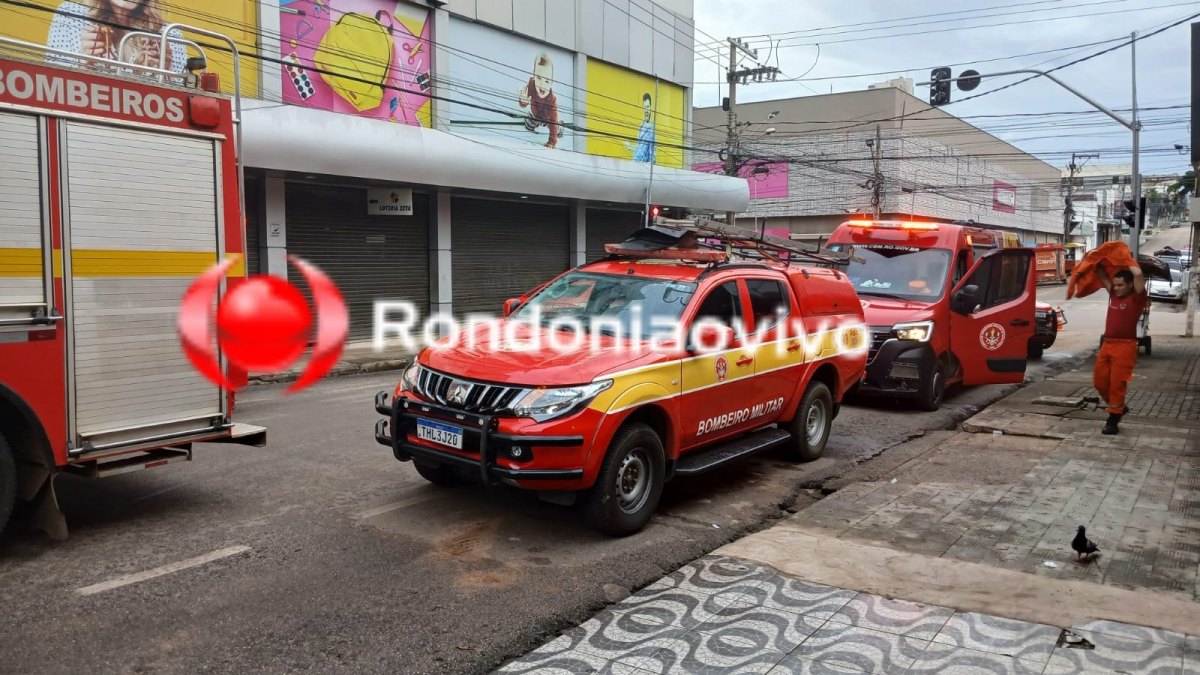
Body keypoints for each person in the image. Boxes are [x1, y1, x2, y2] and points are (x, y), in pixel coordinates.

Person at [46, 0, 186, 73]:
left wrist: (166, 73)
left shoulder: (170, 33)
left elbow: (182, 101)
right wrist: (83, 63)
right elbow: (50, 86)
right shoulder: (70, 15)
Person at [1093, 264, 1146, 435]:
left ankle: (1113, 420)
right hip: (1107, 344)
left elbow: (1137, 274)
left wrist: (1126, 260)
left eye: (1120, 285)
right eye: (1114, 285)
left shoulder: (1137, 299)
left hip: (1125, 346)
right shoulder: (1114, 296)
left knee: (1117, 385)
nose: (1116, 288)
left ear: (1130, 285)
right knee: (1099, 382)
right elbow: (1101, 275)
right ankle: (1119, 408)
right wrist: (1097, 261)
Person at [518, 53, 559, 148]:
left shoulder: (552, 99)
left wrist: (552, 142)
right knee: (528, 125)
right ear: (534, 76)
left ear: (552, 82)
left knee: (555, 127)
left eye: (547, 81)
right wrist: (523, 102)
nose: (542, 85)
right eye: (539, 78)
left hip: (548, 119)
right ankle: (533, 123)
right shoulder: (531, 85)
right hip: (535, 115)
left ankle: (559, 129)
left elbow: (554, 120)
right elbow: (524, 101)